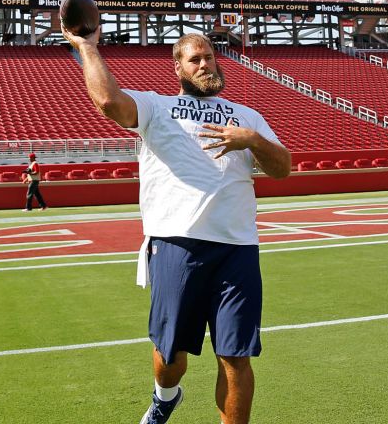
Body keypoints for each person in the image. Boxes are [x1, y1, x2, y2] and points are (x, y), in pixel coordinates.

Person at [63, 28, 291, 424]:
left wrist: (253, 140)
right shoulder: (157, 106)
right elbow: (108, 101)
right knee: (170, 356)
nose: (206, 64)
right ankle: (165, 396)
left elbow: (282, 169)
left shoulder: (248, 117)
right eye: (195, 59)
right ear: (178, 68)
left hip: (236, 248)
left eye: (210, 57)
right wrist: (86, 46)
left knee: (236, 356)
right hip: (175, 244)